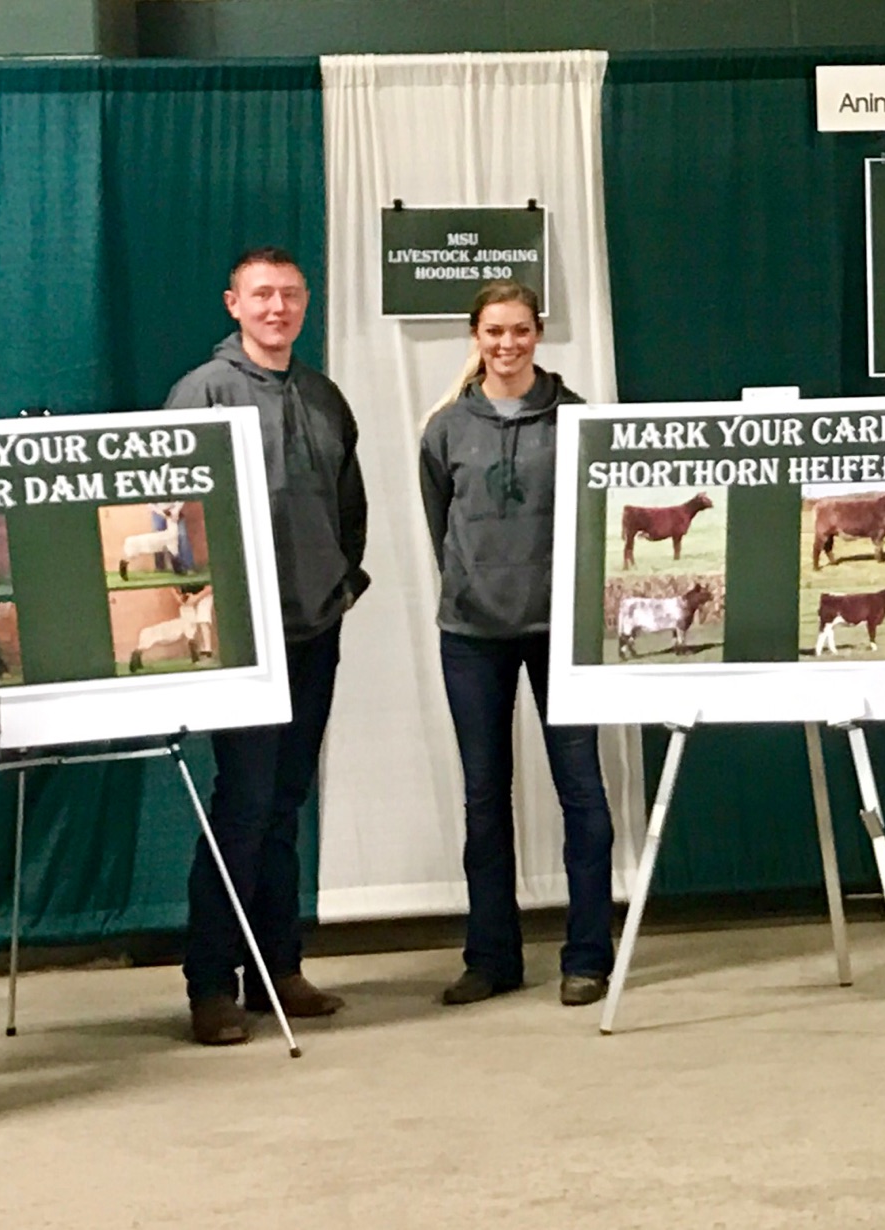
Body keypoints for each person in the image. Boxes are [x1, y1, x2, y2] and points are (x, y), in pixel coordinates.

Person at [163, 247, 368, 1044]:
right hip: (241, 640)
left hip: (316, 626)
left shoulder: (322, 395)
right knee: (243, 807)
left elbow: (349, 506)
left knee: (285, 804)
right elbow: (171, 515)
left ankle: (276, 970)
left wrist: (340, 585)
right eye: (261, 295)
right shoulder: (201, 393)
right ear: (233, 303)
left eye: (289, 295)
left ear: (305, 303)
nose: (277, 308)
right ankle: (210, 983)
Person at [417, 281, 615, 1009]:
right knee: (482, 797)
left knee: (582, 794)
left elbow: (597, 522)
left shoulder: (577, 421)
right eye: (494, 332)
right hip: (471, 637)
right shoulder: (444, 429)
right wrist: (475, 588)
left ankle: (588, 955)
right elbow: (443, 528)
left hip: (561, 635)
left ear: (539, 334)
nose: (508, 344)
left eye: (521, 330)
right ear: (476, 336)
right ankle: (491, 958)